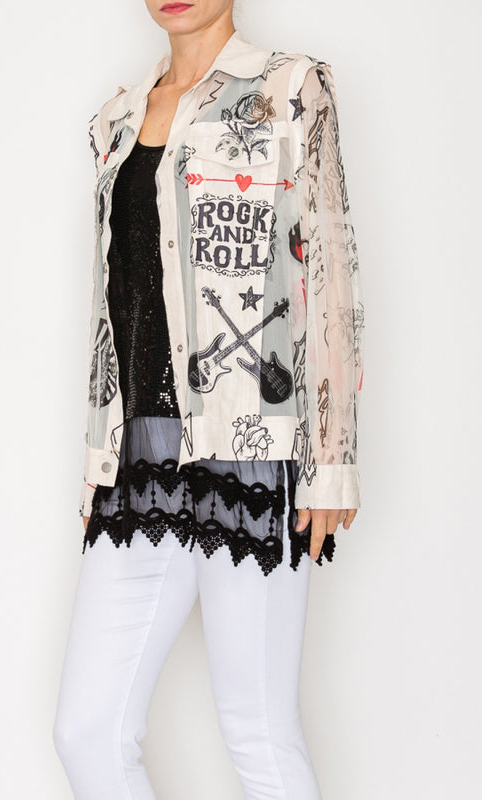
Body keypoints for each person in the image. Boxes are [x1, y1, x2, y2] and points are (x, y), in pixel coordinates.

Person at [53, 1, 365, 798]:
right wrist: (97, 459)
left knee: (256, 728)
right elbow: (112, 301)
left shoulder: (289, 87)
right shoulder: (116, 118)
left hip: (251, 445)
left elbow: (329, 273)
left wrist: (331, 461)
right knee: (88, 730)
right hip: (138, 455)